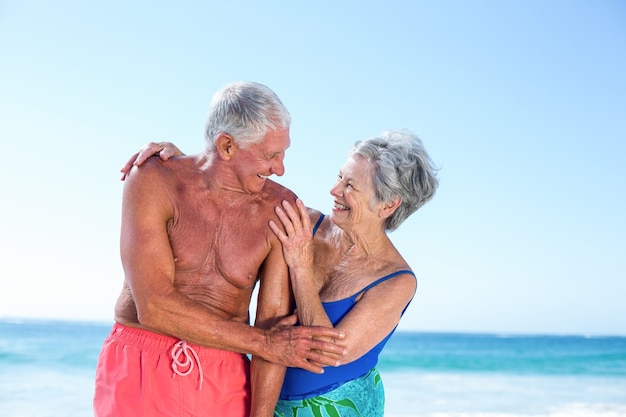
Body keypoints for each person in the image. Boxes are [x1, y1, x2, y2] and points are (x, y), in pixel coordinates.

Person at [129, 128, 439, 416]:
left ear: (388, 205)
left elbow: (326, 353)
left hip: (343, 407)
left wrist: (301, 268)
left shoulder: (396, 281)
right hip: (270, 401)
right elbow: (241, 191)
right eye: (339, 177)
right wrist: (184, 166)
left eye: (351, 186)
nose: (334, 190)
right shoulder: (300, 222)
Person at [95, 81, 347, 417]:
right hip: (139, 361)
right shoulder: (153, 178)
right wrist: (266, 344)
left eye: (284, 152)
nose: (280, 168)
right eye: (270, 154)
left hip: (223, 371)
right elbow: (154, 306)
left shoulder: (280, 207)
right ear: (226, 145)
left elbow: (274, 324)